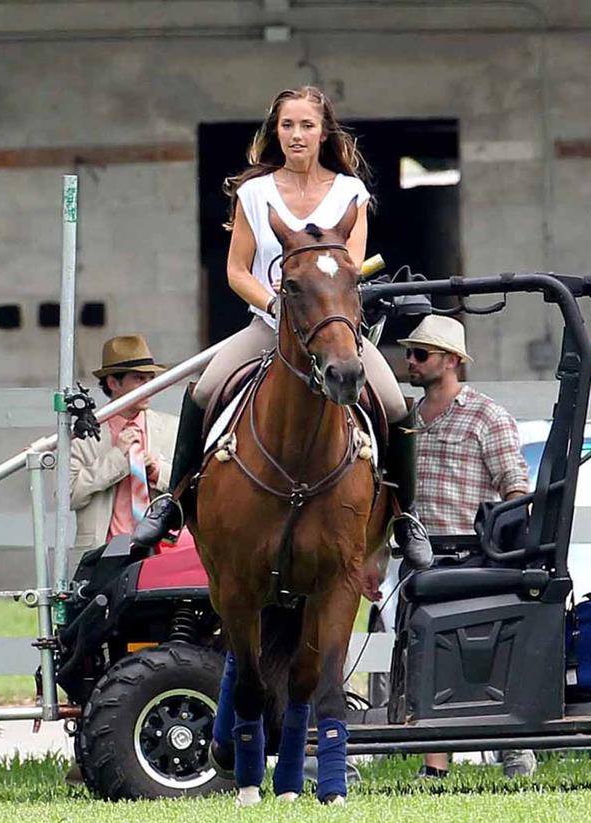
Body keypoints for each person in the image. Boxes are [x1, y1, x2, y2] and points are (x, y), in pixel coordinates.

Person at [133, 85, 432, 570]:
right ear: (276, 131)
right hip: (269, 322)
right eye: (287, 125)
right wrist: (274, 304)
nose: (296, 135)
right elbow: (236, 271)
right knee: (203, 390)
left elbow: (348, 269)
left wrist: (319, 306)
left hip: (330, 326)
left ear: (323, 133)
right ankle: (172, 500)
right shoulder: (254, 193)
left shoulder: (351, 193)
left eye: (307, 125)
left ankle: (405, 516)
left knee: (395, 403)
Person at [397, 314, 536, 778]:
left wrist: (505, 550)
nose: (410, 362)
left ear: (452, 361)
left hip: (472, 553)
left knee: (478, 657)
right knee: (424, 656)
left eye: (421, 354)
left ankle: (511, 746)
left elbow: (516, 488)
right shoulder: (406, 421)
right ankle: (434, 766)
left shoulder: (486, 416)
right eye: (409, 353)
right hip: (420, 553)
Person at [70, 334, 179, 554]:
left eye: (151, 379)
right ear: (113, 383)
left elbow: (192, 489)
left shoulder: (171, 427)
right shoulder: (84, 435)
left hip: (161, 551)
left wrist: (157, 471)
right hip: (102, 551)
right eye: (139, 379)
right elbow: (70, 496)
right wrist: (117, 459)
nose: (149, 387)